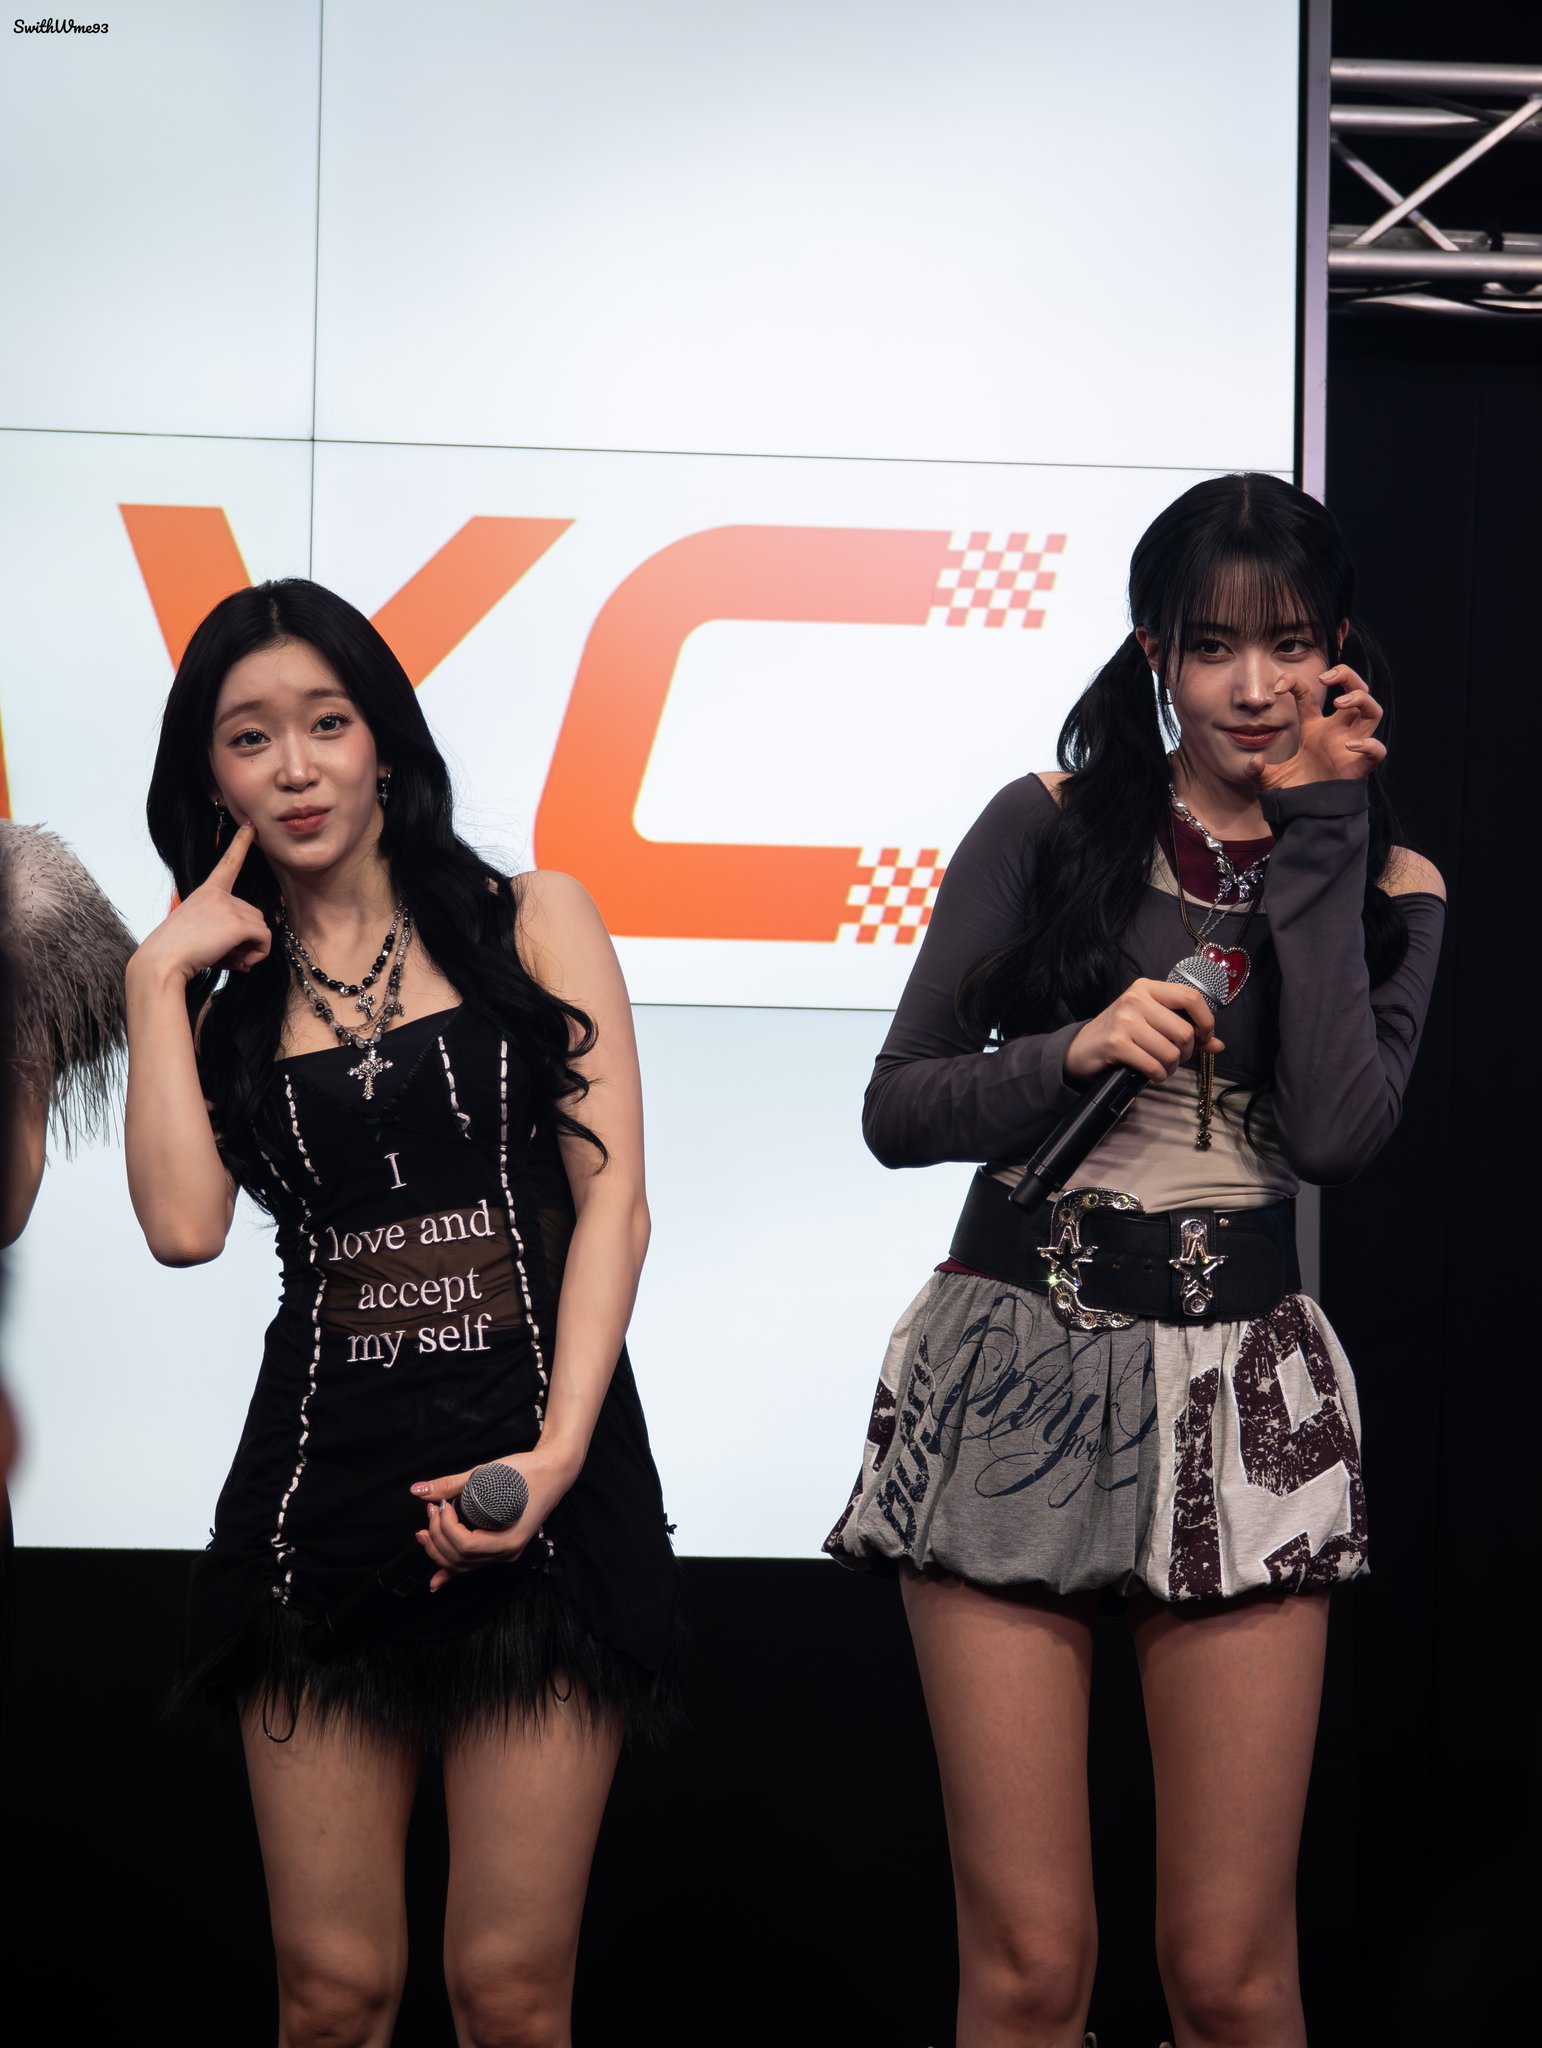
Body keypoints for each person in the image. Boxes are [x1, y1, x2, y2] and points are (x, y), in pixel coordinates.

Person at [825, 473, 1444, 2048]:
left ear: (1336, 651)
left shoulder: (1389, 882)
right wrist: (1067, 1049)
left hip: (1244, 1383)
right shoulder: (1047, 823)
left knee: (1229, 1978)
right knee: (1030, 1970)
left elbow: (1336, 1135)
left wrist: (1320, 839)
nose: (1252, 686)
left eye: (1287, 645)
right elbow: (897, 1107)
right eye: (1210, 646)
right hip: (1017, 1357)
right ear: (1154, 652)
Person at [126, 579, 677, 2048]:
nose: (296, 768)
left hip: (542, 1484)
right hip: (318, 1505)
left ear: (383, 740)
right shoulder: (216, 1002)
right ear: (213, 777)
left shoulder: (532, 918)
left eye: (327, 724)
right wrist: (152, 977)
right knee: (332, 1994)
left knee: (508, 1992)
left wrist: (556, 1458)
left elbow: (614, 1207)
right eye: (251, 738)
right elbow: (182, 1231)